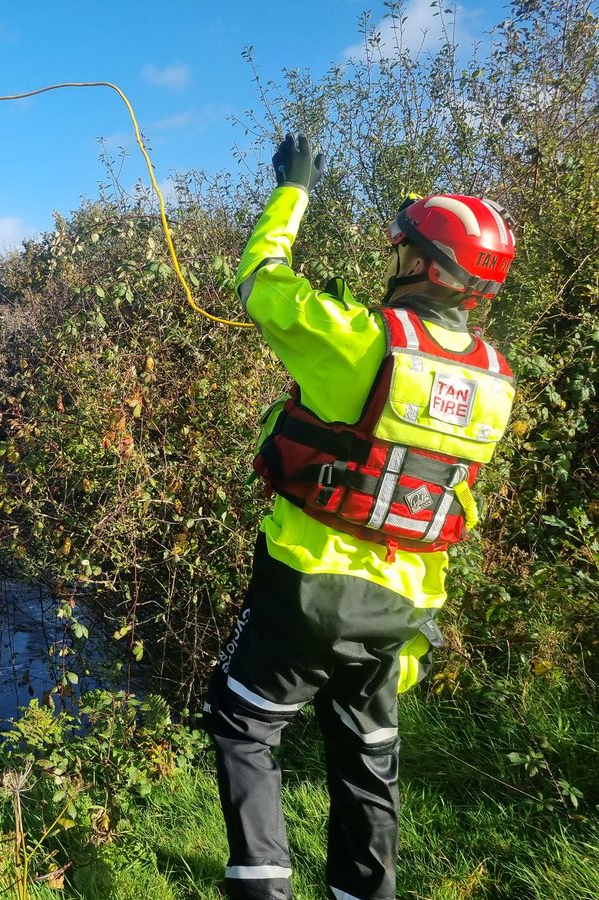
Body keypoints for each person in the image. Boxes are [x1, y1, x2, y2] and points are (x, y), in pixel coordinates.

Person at [202, 133, 517, 900]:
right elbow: (446, 505)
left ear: (420, 264)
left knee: (245, 727)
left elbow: (261, 278)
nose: (394, 259)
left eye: (402, 248)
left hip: (308, 586)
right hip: (401, 606)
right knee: (369, 758)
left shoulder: (359, 341)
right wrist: (412, 637)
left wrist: (293, 188)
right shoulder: (496, 384)